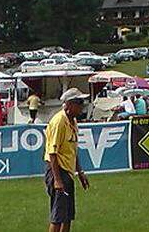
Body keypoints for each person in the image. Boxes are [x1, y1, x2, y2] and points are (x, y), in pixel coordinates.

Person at [44, 89, 90, 232]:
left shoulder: (73, 121)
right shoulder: (59, 122)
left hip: (68, 173)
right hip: (57, 170)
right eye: (79, 103)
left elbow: (72, 149)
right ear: (69, 105)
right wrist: (57, 180)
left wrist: (80, 172)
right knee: (58, 217)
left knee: (67, 216)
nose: (82, 106)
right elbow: (52, 153)